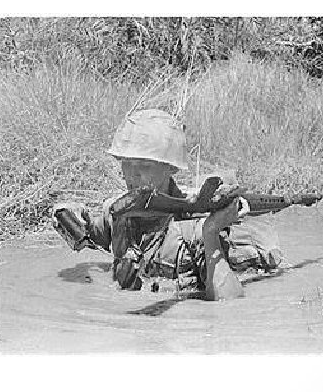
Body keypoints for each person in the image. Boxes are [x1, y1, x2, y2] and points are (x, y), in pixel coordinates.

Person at [54, 109, 281, 300]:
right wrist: (69, 216)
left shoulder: (193, 226)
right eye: (126, 163)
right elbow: (92, 237)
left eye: (144, 165)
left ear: (171, 168)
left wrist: (211, 231)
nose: (132, 175)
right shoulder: (116, 212)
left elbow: (230, 300)